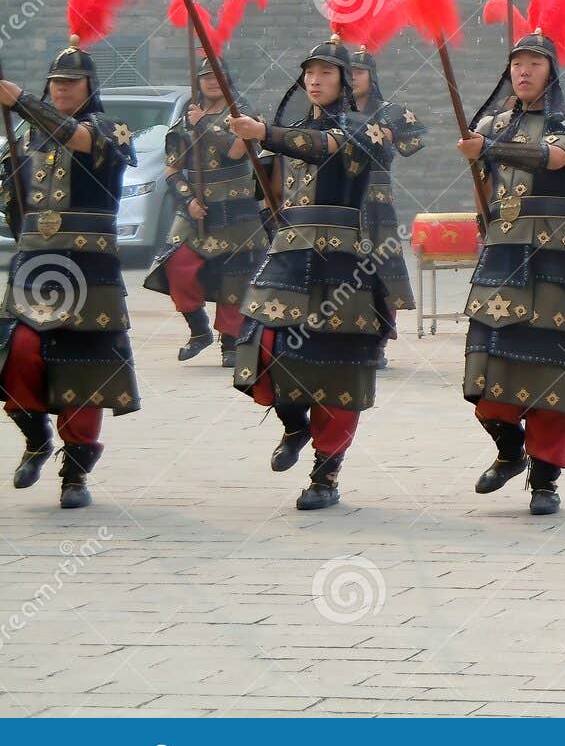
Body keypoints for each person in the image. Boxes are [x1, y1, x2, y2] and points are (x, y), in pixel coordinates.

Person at [228, 35, 394, 510]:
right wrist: (259, 158)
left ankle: (326, 476)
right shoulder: (291, 130)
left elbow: (324, 146)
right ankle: (294, 425)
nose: (315, 80)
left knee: (337, 369)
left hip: (342, 264)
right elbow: (273, 195)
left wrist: (266, 133)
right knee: (265, 347)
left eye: (326, 72)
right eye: (310, 71)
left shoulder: (365, 129)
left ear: (345, 80)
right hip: (288, 255)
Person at [460, 31, 565, 517]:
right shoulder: (491, 121)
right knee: (484, 358)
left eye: (534, 62)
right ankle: (509, 448)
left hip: (557, 257)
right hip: (503, 252)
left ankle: (546, 477)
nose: (523, 71)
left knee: (554, 367)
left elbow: (553, 157)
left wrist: (488, 147)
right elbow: (483, 190)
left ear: (552, 70)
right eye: (516, 63)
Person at [0, 27, 140, 509]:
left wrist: (19, 100)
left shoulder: (109, 129)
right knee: (17, 350)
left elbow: (76, 137)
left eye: (71, 83)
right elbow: (16, 205)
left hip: (90, 267)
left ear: (89, 87)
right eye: (55, 82)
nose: (61, 89)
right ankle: (36, 436)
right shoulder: (30, 137)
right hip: (35, 264)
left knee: (84, 367)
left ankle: (75, 473)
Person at [144, 55, 267, 367]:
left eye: (218, 75)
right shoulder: (185, 120)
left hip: (237, 206)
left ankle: (231, 343)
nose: (212, 81)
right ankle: (198, 329)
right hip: (197, 208)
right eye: (205, 76)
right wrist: (188, 201)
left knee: (235, 276)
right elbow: (172, 171)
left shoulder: (242, 113)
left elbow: (236, 150)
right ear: (197, 81)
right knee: (176, 264)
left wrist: (203, 124)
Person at [349, 45, 426, 363]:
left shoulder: (390, 112)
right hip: (345, 201)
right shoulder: (331, 114)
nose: (353, 78)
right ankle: (352, 335)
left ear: (372, 76)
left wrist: (391, 134)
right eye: (349, 72)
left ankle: (380, 336)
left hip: (378, 203)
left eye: (359, 72)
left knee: (382, 269)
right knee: (347, 270)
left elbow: (416, 139)